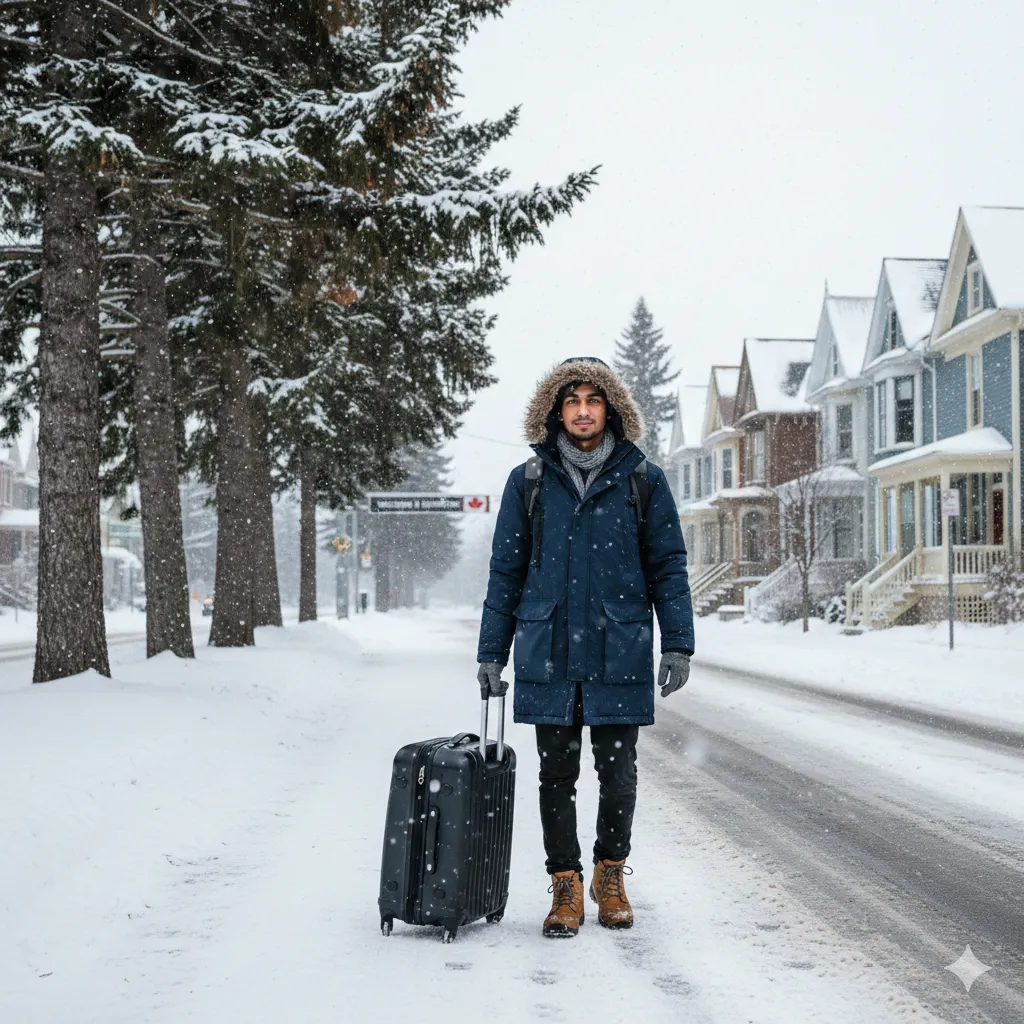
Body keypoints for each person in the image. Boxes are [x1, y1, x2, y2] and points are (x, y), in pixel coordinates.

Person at [477, 357, 694, 939]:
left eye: (592, 400)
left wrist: (677, 643)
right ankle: (566, 884)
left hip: (618, 646)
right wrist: (491, 653)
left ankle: (611, 874)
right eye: (571, 399)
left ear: (611, 409)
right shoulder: (527, 481)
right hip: (547, 646)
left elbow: (668, 566)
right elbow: (506, 572)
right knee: (556, 774)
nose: (581, 410)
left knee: (618, 774)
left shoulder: (642, 479)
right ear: (556, 409)